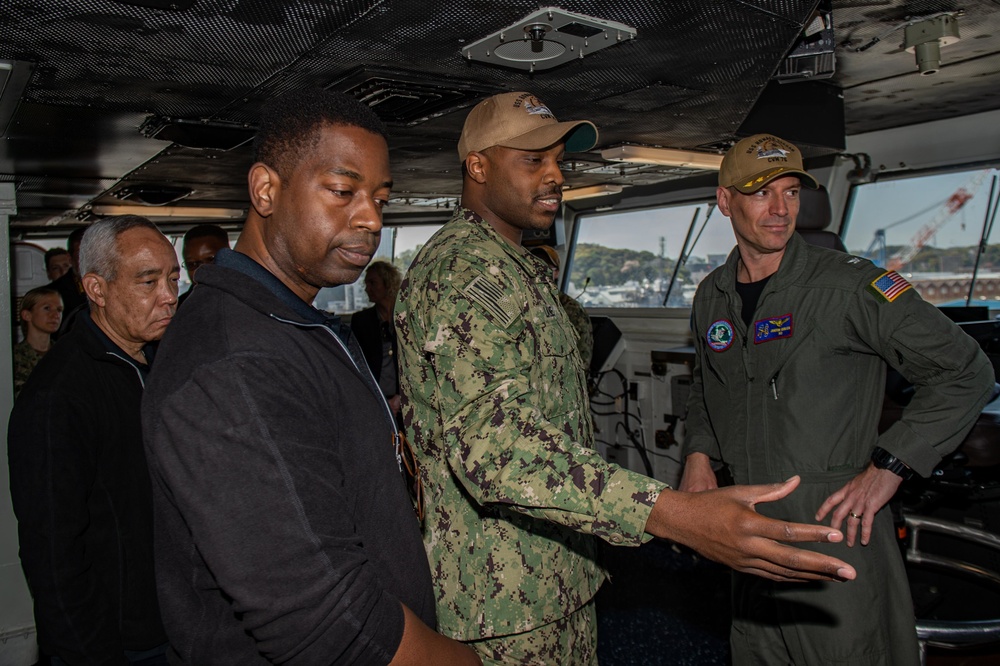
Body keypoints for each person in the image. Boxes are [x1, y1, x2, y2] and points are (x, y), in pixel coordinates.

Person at [394, 91, 857, 664]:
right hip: (501, 601)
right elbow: (498, 450)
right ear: (479, 167)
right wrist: (673, 514)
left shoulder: (516, 267)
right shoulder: (461, 272)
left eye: (559, 161)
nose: (555, 176)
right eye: (533, 160)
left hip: (555, 577)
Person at [141, 88, 479, 664]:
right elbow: (326, 624)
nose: (371, 217)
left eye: (380, 196)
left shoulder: (286, 323)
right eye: (343, 192)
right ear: (266, 191)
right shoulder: (236, 362)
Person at [679, 133, 995, 665]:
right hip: (750, 518)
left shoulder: (851, 287)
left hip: (832, 517)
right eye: (762, 194)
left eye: (792, 193)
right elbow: (707, 388)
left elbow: (965, 370)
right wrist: (697, 457)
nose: (781, 210)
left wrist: (889, 466)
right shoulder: (713, 294)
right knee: (758, 651)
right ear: (725, 201)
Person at [9, 215, 177, 664]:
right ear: (97, 289)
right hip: (117, 640)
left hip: (174, 621)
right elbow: (51, 550)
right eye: (148, 281)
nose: (169, 297)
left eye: (173, 278)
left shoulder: (161, 362)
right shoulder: (59, 395)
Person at [528, 244, 593, 369]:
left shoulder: (572, 310)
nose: (538, 271)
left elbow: (582, 362)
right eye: (534, 265)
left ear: (556, 273)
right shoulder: (527, 305)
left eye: (546, 267)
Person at [351, 260, 403, 415]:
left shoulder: (406, 317)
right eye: (366, 284)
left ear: (388, 283)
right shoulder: (361, 320)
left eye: (373, 283)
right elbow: (358, 363)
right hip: (375, 398)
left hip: (405, 397)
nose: (368, 289)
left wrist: (402, 395)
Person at [13, 286, 63, 398]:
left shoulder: (65, 353)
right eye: (47, 308)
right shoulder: (15, 358)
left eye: (59, 310)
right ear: (27, 315)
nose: (55, 315)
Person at [48, 226, 88, 338]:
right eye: (81, 254)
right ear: (70, 258)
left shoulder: (114, 286)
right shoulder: (54, 292)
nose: (88, 260)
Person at [177, 223, 230, 306]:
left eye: (211, 260)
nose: (201, 271)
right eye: (192, 264)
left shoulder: (250, 297)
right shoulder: (179, 309)